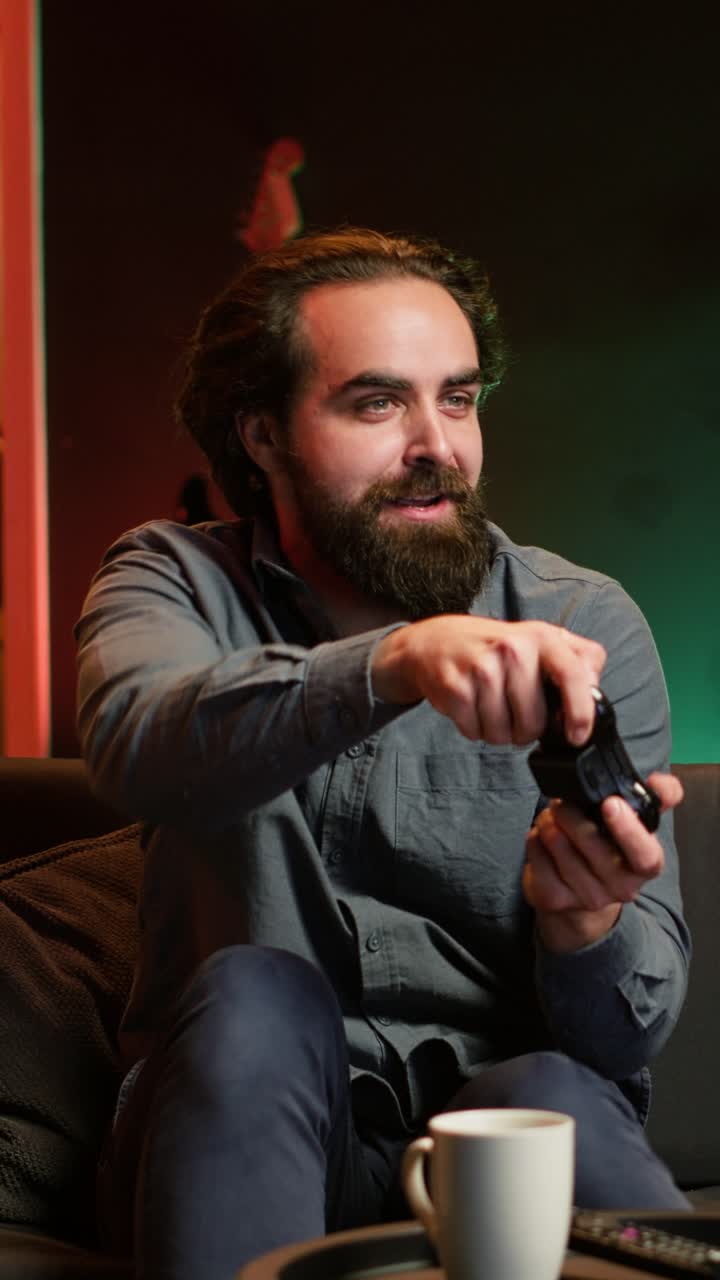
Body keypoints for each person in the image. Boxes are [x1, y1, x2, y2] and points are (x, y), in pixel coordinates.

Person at [75, 228, 691, 1280]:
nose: (436, 444)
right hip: (247, 1118)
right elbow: (141, 739)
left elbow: (624, 1037)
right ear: (262, 433)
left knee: (544, 1094)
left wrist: (585, 928)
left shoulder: (582, 619)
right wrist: (395, 661)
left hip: (499, 1120)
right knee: (253, 1001)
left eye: (457, 398)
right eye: (377, 402)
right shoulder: (170, 577)